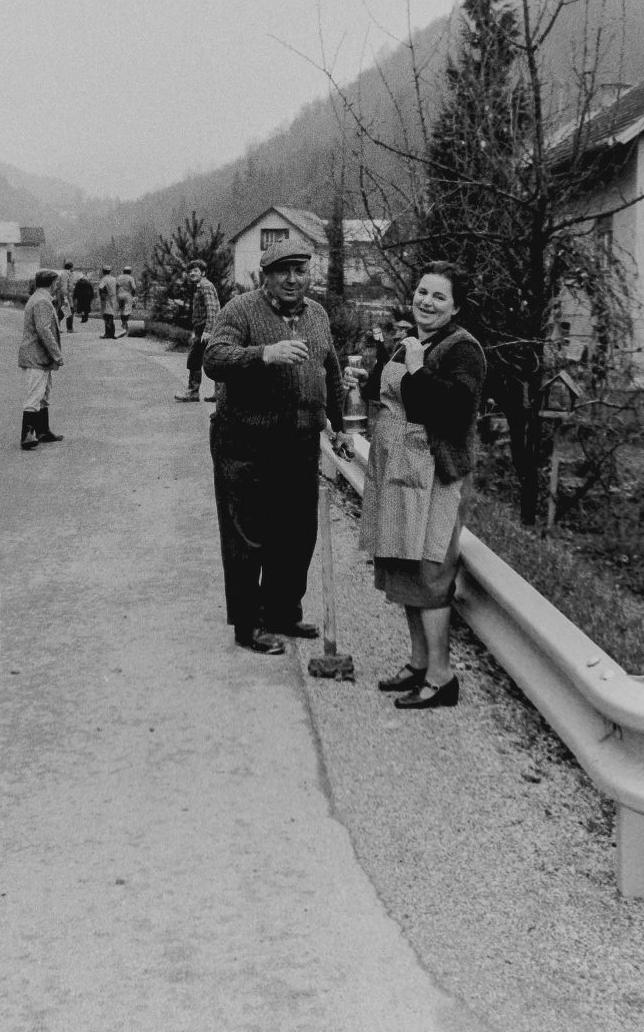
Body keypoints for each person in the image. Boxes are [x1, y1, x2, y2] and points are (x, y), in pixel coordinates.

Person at [203, 236, 354, 655]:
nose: (292, 279)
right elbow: (213, 359)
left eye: (299, 270)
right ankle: (248, 625)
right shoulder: (240, 310)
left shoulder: (317, 315)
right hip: (245, 443)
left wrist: (339, 427)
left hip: (299, 444)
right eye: (282, 271)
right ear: (265, 276)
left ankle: (282, 613)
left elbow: (330, 371)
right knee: (247, 537)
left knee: (295, 533)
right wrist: (264, 354)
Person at [359, 262, 485, 709]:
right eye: (422, 292)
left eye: (438, 296)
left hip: (438, 474)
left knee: (431, 570)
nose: (426, 302)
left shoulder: (462, 349)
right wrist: (374, 370)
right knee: (405, 565)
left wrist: (416, 368)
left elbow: (455, 408)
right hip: (402, 471)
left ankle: (441, 676)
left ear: (456, 307)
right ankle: (418, 663)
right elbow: (386, 394)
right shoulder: (410, 340)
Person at [17, 269, 65, 450]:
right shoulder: (42, 302)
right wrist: (57, 355)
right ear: (52, 283)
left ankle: (43, 431)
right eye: (56, 282)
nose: (57, 285)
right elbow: (44, 330)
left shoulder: (39, 298)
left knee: (43, 393)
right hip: (37, 355)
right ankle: (27, 435)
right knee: (35, 394)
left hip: (39, 356)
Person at [174, 259, 221, 403]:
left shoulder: (206, 286)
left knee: (195, 360)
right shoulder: (201, 287)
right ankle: (219, 394)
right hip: (202, 329)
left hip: (207, 330)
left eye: (195, 271)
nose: (192, 273)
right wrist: (197, 330)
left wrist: (208, 330)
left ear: (203, 273)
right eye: (190, 271)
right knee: (211, 359)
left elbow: (212, 308)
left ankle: (193, 392)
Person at [55, 260, 78, 332]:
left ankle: (64, 328)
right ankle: (68, 329)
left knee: (65, 311)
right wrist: (65, 298)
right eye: (73, 267)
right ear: (70, 267)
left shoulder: (69, 274)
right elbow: (63, 287)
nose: (73, 268)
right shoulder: (65, 275)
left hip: (68, 296)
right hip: (66, 296)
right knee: (67, 311)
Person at [117, 264, 137, 335]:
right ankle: (126, 322)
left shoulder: (119, 277)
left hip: (119, 294)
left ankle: (123, 322)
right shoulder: (131, 278)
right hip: (127, 295)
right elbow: (134, 288)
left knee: (121, 309)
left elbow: (116, 286)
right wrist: (133, 296)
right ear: (130, 271)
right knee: (128, 309)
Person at [98, 265, 118, 339]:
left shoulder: (104, 279)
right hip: (113, 299)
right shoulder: (114, 279)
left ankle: (107, 333)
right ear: (110, 271)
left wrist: (102, 296)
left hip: (107, 299)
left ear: (103, 271)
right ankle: (112, 334)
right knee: (111, 316)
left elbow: (101, 288)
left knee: (106, 316)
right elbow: (118, 286)